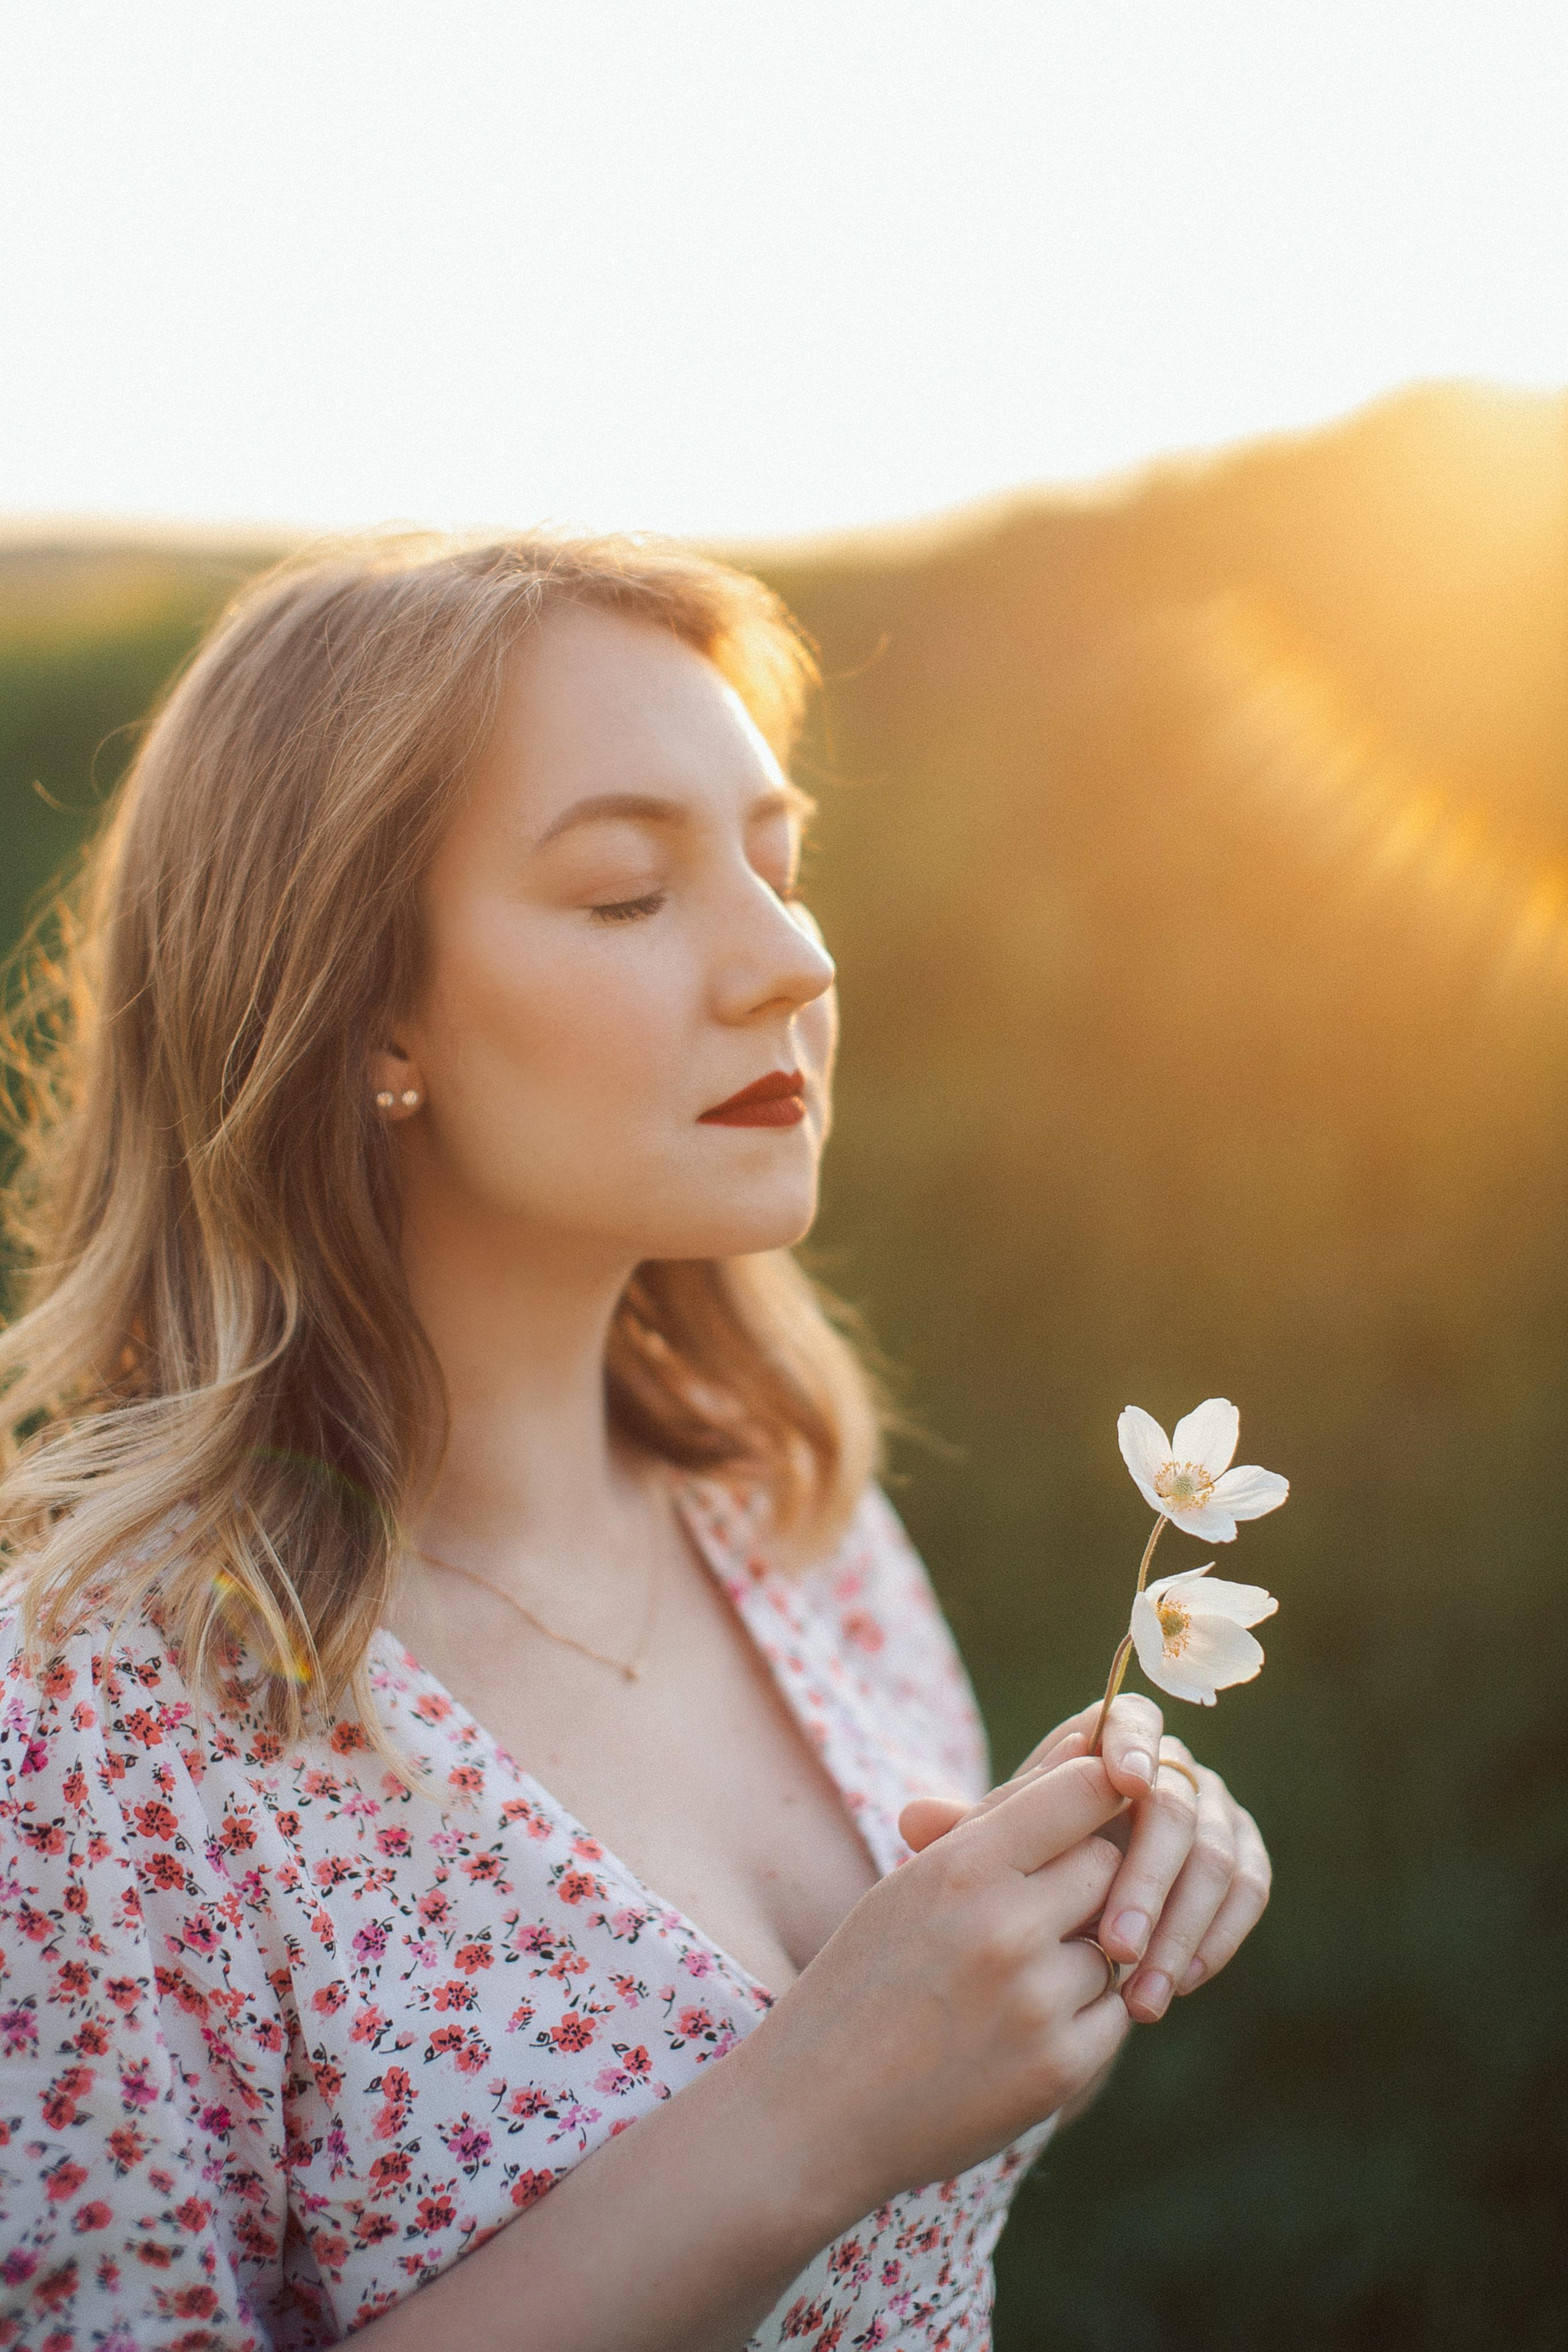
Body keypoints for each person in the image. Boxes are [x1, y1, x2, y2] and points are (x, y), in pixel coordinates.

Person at [0, 535, 1272, 2351]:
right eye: (627, 894)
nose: (792, 959)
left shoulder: (795, 1518)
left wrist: (1080, 1909)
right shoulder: (102, 1714)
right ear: (361, 1009)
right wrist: (813, 2111)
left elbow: (913, 2204)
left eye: (781, 865)